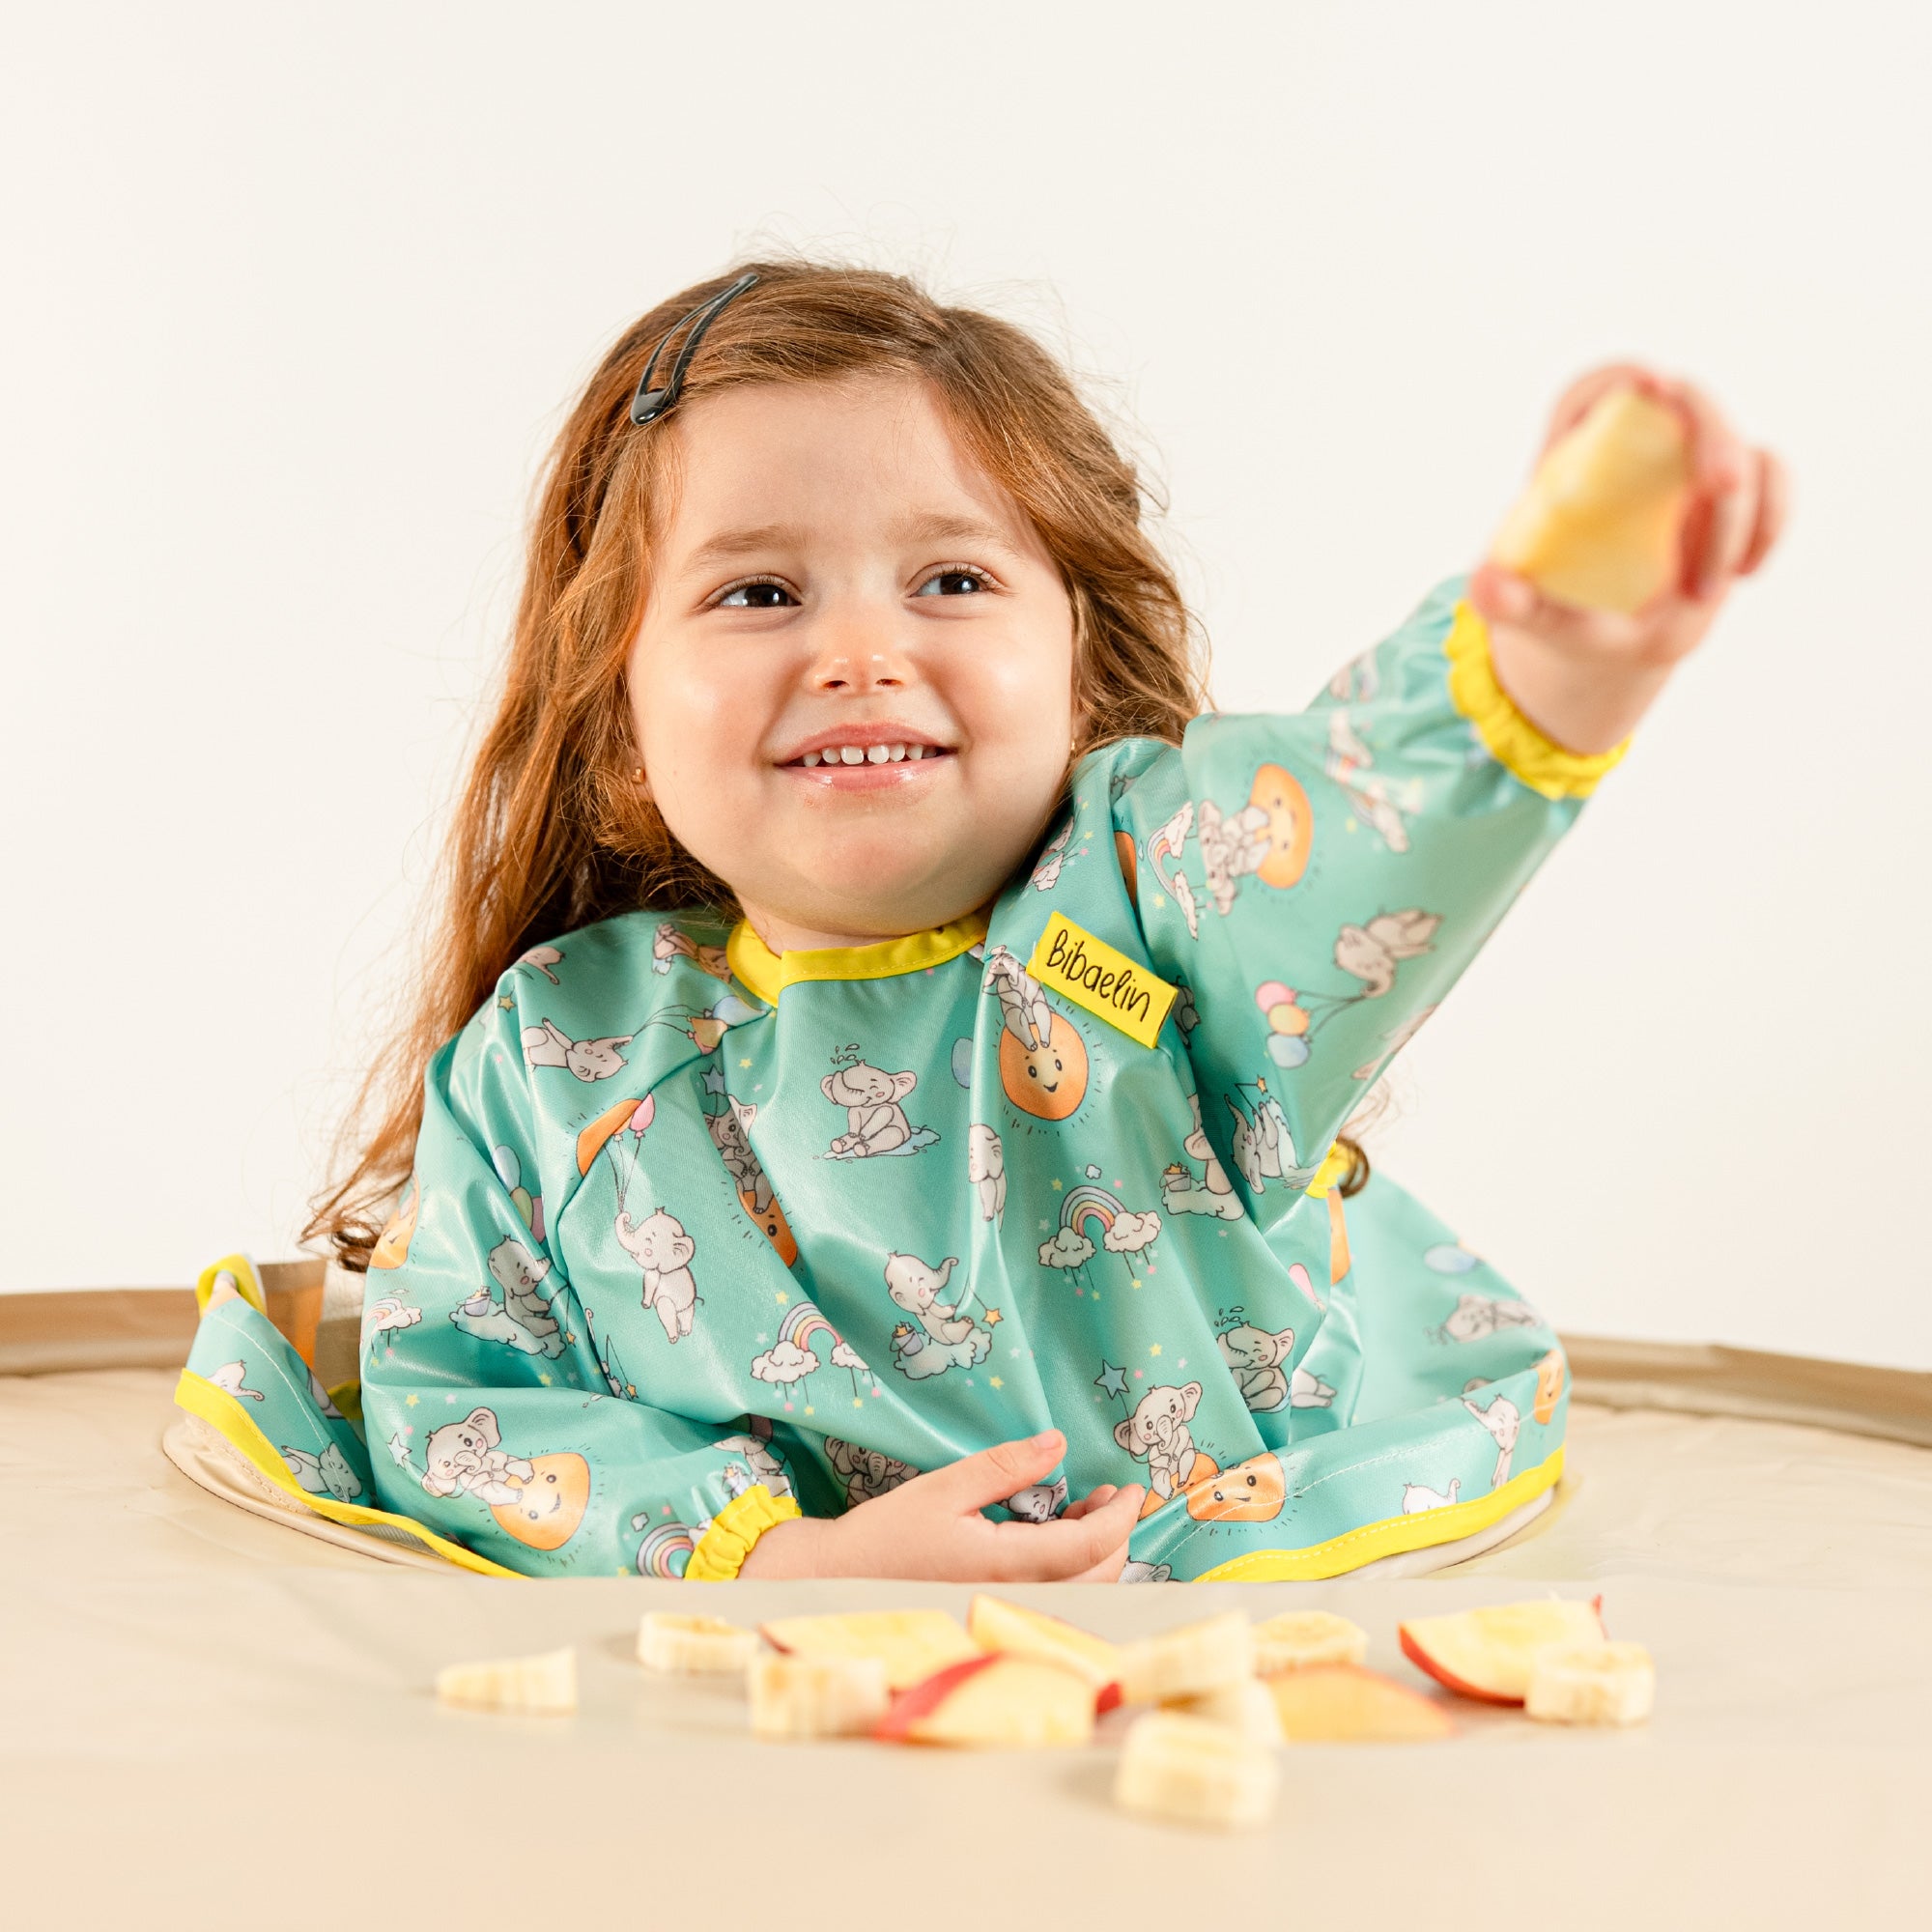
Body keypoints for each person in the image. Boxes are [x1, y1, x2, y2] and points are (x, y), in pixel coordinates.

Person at [180, 262, 1783, 1582]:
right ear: (618, 711)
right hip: (740, 1707)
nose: (862, 651)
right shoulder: (559, 1052)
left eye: (950, 581)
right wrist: (772, 1563)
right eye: (757, 593)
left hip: (1213, 1603)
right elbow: (464, 1394)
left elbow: (1351, 843)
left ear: (1078, 657)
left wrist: (1558, 663)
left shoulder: (1144, 917)